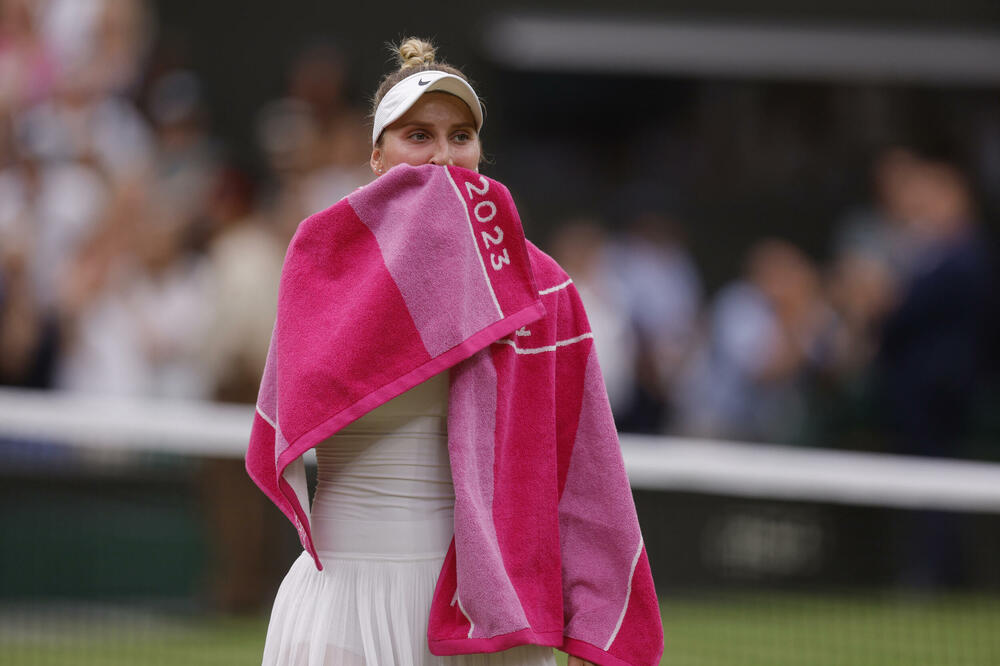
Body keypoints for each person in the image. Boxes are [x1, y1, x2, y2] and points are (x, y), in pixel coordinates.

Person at [250, 38, 662, 666]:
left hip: (486, 619)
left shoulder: (546, 289)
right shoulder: (321, 265)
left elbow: (585, 467)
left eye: (460, 135)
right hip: (341, 604)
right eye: (418, 135)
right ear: (376, 156)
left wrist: (597, 614)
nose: (443, 155)